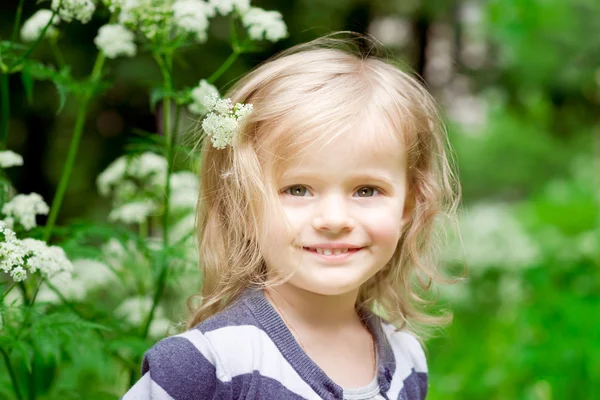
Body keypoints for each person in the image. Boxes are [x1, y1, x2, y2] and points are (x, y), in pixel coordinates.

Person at [123, 34, 460, 400]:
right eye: (297, 189)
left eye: (366, 191)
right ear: (243, 203)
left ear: (408, 206)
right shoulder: (207, 365)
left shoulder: (407, 358)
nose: (333, 219)